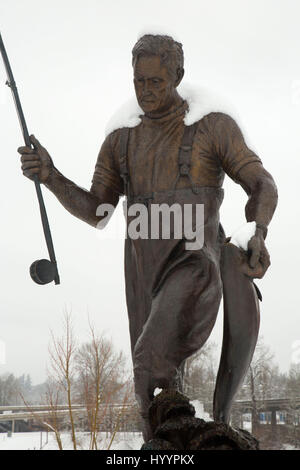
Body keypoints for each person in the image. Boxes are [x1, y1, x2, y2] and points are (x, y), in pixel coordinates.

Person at [18, 34, 278, 441]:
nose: (146, 91)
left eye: (156, 82)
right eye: (139, 81)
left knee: (150, 359)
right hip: (142, 273)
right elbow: (98, 212)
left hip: (194, 263)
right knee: (150, 393)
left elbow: (262, 183)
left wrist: (258, 231)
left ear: (178, 76)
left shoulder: (211, 127)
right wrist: (51, 177)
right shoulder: (121, 140)